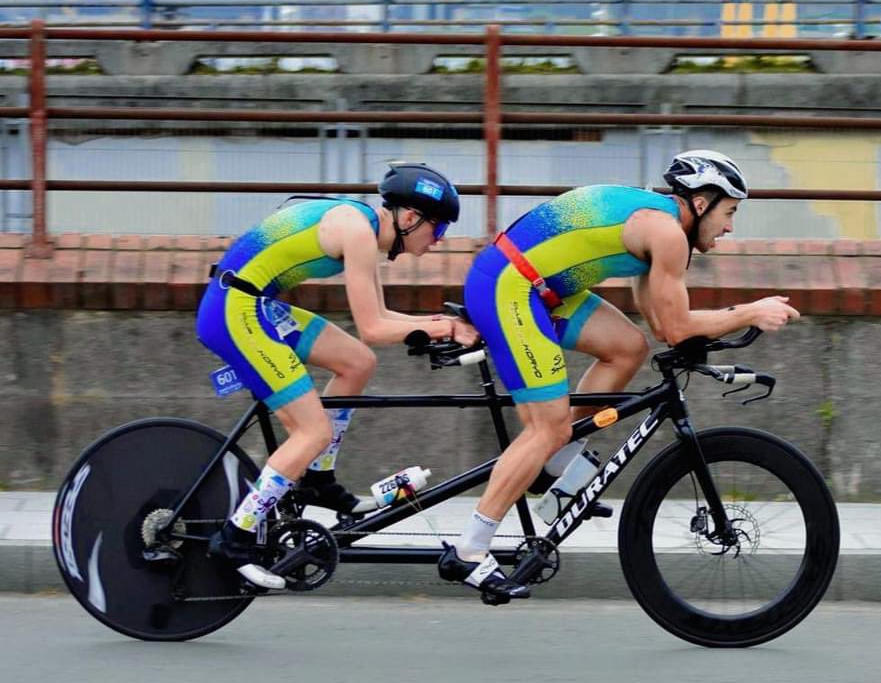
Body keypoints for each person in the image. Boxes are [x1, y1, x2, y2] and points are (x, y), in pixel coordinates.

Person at [438, 149, 800, 598]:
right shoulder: (667, 234)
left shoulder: (660, 225)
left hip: (540, 287)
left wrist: (703, 338)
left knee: (627, 349)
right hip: (509, 286)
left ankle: (550, 467)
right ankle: (470, 549)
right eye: (729, 212)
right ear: (702, 203)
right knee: (546, 427)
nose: (730, 226)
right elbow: (675, 325)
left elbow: (660, 327)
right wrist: (750, 311)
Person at [197, 162, 475, 591]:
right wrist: (443, 326)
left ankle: (317, 479)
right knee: (312, 432)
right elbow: (376, 328)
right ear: (409, 218)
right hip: (235, 313)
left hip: (252, 304)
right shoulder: (359, 232)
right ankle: (235, 536)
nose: (435, 244)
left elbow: (381, 320)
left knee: (357, 362)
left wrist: (436, 322)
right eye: (436, 231)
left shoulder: (362, 225)